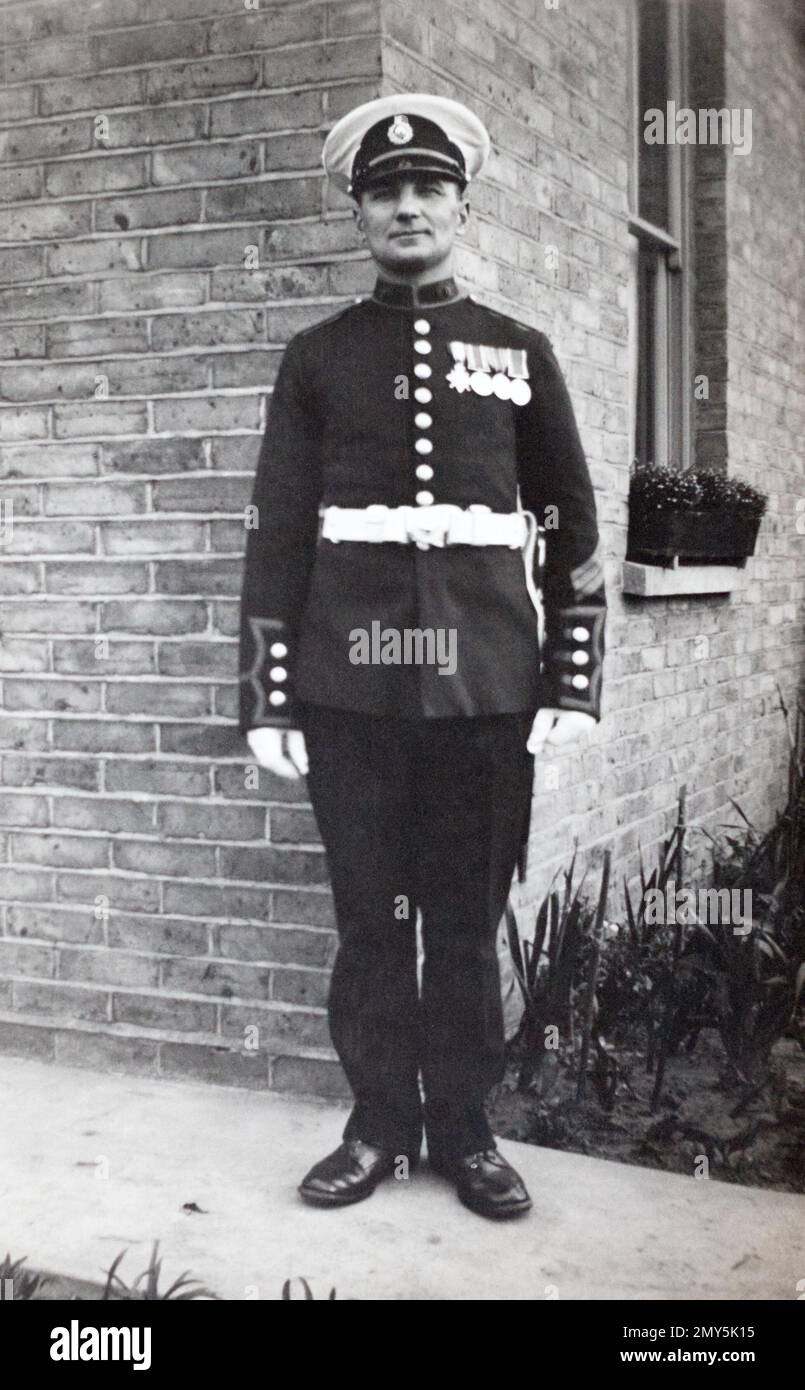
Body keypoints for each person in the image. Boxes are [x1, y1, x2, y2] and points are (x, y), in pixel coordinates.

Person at [238, 94, 606, 1220]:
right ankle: (374, 1127)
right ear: (359, 212)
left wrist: (571, 680)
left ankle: (465, 1130)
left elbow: (574, 529)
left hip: (485, 694)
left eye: (427, 189)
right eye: (386, 191)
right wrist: (268, 696)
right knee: (367, 925)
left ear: (459, 205)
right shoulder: (317, 358)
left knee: (458, 923)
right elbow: (276, 531)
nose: (407, 206)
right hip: (350, 694)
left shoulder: (519, 349)